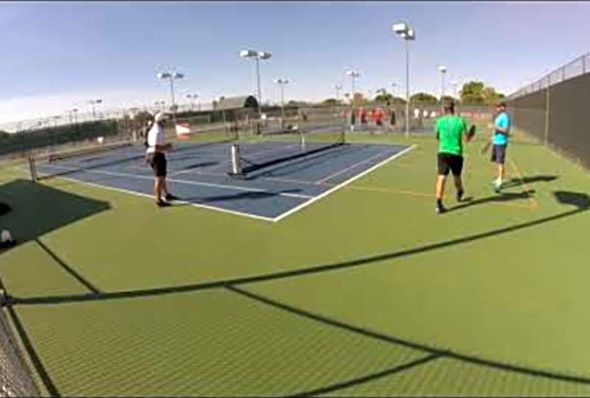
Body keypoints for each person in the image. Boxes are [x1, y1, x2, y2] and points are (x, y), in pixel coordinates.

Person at [434, 100, 474, 214]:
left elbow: (437, 137)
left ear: (444, 109)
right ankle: (460, 191)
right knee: (457, 177)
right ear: (453, 108)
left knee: (441, 178)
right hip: (456, 154)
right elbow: (467, 139)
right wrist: (470, 135)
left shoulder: (439, 121)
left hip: (443, 152)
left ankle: (438, 204)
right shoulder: (460, 121)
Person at [146, 112, 179, 208]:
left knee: (162, 177)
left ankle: (167, 195)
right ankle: (159, 200)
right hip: (157, 155)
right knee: (159, 179)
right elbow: (156, 147)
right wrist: (167, 147)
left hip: (155, 154)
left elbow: (151, 145)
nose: (166, 122)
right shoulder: (157, 131)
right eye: (164, 120)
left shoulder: (155, 129)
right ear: (161, 121)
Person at [490, 102, 511, 193]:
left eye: (499, 107)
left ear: (503, 108)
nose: (497, 108)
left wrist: (494, 126)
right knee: (497, 162)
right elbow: (497, 130)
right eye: (496, 106)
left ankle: (500, 181)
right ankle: (498, 177)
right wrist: (493, 136)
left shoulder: (505, 117)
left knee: (500, 162)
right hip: (496, 141)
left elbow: (505, 130)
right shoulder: (498, 117)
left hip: (501, 143)